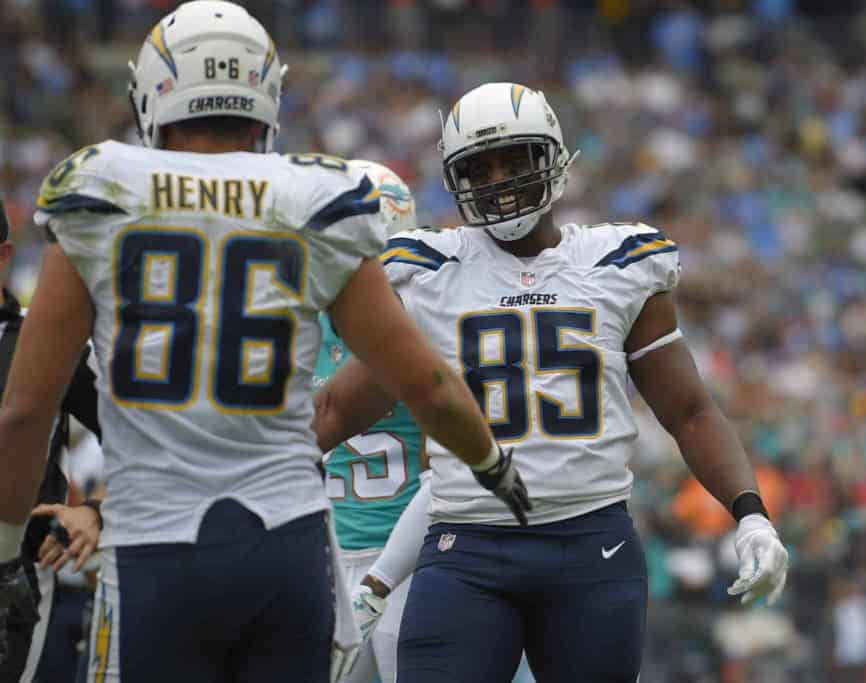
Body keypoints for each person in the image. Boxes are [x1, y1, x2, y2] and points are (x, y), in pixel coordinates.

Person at [0, 5, 528, 682]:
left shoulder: (103, 188)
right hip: (286, 544)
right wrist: (491, 462)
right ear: (267, 93)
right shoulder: (311, 195)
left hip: (155, 545)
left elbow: (24, 408)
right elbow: (424, 380)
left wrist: (9, 552)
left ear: (152, 92)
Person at [315, 82, 790, 683]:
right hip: (467, 546)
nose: (499, 179)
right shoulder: (428, 272)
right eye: (479, 167)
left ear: (553, 158)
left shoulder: (617, 263)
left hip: (592, 547)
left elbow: (691, 412)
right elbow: (335, 411)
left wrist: (751, 514)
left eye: (514, 159)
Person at [312, 159, 427, 683]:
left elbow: (445, 470)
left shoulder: (425, 324)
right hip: (325, 558)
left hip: (410, 555)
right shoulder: (294, 326)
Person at [0, 199, 102, 683]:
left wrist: (97, 509)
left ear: (2, 256)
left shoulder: (47, 342)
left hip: (15, 573)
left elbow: (146, 441)